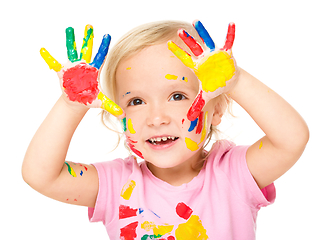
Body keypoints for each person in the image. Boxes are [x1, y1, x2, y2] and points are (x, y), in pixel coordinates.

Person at [22, 20, 309, 240]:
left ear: (216, 109)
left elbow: (291, 140)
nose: (156, 118)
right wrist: (71, 105)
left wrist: (236, 81)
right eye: (136, 101)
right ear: (118, 114)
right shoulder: (116, 185)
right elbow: (40, 175)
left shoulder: (233, 174)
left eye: (177, 96)